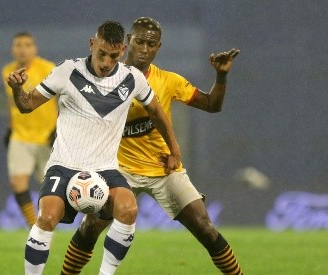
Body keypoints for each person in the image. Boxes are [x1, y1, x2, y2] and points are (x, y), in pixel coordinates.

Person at [60, 17, 243, 275]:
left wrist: (221, 76)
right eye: (140, 42)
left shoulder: (168, 81)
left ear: (159, 48)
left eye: (152, 44)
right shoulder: (104, 77)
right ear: (127, 43)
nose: (145, 49)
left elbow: (212, 104)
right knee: (91, 226)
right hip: (119, 170)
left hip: (164, 169)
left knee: (205, 226)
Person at [6, 21, 181, 275]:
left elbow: (157, 112)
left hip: (105, 170)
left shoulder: (132, 79)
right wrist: (17, 88)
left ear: (122, 50)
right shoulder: (67, 71)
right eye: (101, 54)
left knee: (129, 209)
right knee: (46, 218)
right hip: (63, 166)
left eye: (113, 55)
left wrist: (174, 150)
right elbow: (26, 105)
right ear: (92, 44)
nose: (106, 62)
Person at [1, 32, 57, 228]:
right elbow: (11, 103)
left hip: (47, 138)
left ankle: (47, 223)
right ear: (12, 49)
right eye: (18, 45)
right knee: (18, 183)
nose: (23, 49)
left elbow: (62, 101)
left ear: (35, 49)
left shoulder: (48, 69)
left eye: (27, 45)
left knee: (51, 188)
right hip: (21, 137)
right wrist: (10, 128)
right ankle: (34, 227)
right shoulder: (7, 71)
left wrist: (59, 128)